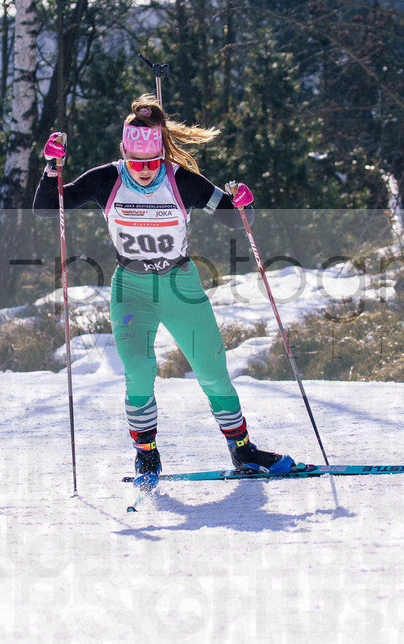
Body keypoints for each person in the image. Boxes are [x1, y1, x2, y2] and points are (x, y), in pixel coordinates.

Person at [32, 93, 294, 485]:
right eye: (136, 163)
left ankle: (243, 451)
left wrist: (243, 203)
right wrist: (51, 168)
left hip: (180, 286)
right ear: (124, 153)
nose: (143, 171)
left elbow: (235, 220)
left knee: (212, 371)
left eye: (151, 163)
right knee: (138, 369)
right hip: (131, 289)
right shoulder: (107, 179)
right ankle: (146, 454)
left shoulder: (180, 180)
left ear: (162, 156)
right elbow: (45, 207)